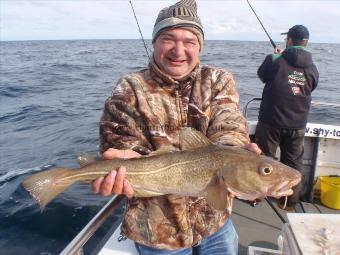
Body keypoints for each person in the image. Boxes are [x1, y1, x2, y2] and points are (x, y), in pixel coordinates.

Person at [92, 0, 260, 254]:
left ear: (199, 46)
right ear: (155, 42)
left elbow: (229, 122)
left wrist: (235, 154)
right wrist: (123, 160)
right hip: (158, 232)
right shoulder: (129, 88)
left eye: (190, 41)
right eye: (168, 38)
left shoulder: (217, 80)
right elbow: (119, 140)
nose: (178, 50)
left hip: (215, 223)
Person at [255, 25, 319, 210]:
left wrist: (276, 56)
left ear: (289, 40)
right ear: (305, 42)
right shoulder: (313, 67)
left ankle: (258, 197)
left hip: (271, 121)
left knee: (264, 161)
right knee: (293, 164)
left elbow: (262, 75)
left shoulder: (275, 59)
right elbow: (311, 86)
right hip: (297, 124)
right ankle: (290, 202)